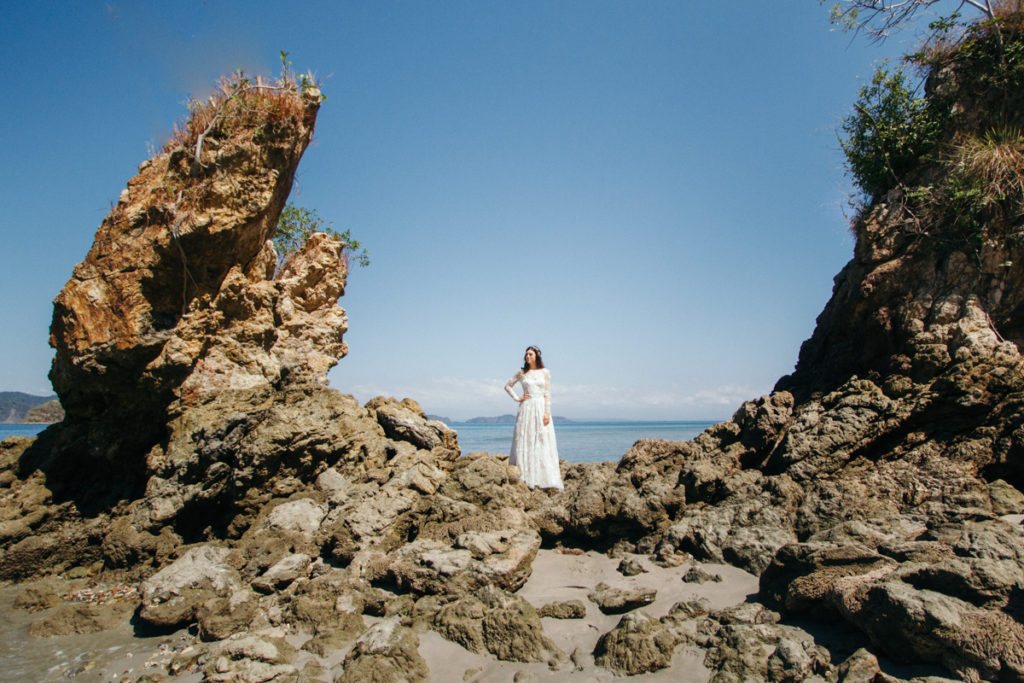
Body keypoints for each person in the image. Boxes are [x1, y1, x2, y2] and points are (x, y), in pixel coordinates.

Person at [504, 346, 564, 490]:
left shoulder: (545, 372)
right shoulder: (522, 372)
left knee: (542, 440)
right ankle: (525, 476)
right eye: (526, 355)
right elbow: (507, 386)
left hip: (540, 407)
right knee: (526, 439)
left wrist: (547, 413)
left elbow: (547, 394)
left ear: (537, 356)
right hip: (526, 408)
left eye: (530, 354)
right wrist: (517, 398)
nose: (527, 357)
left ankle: (543, 477)